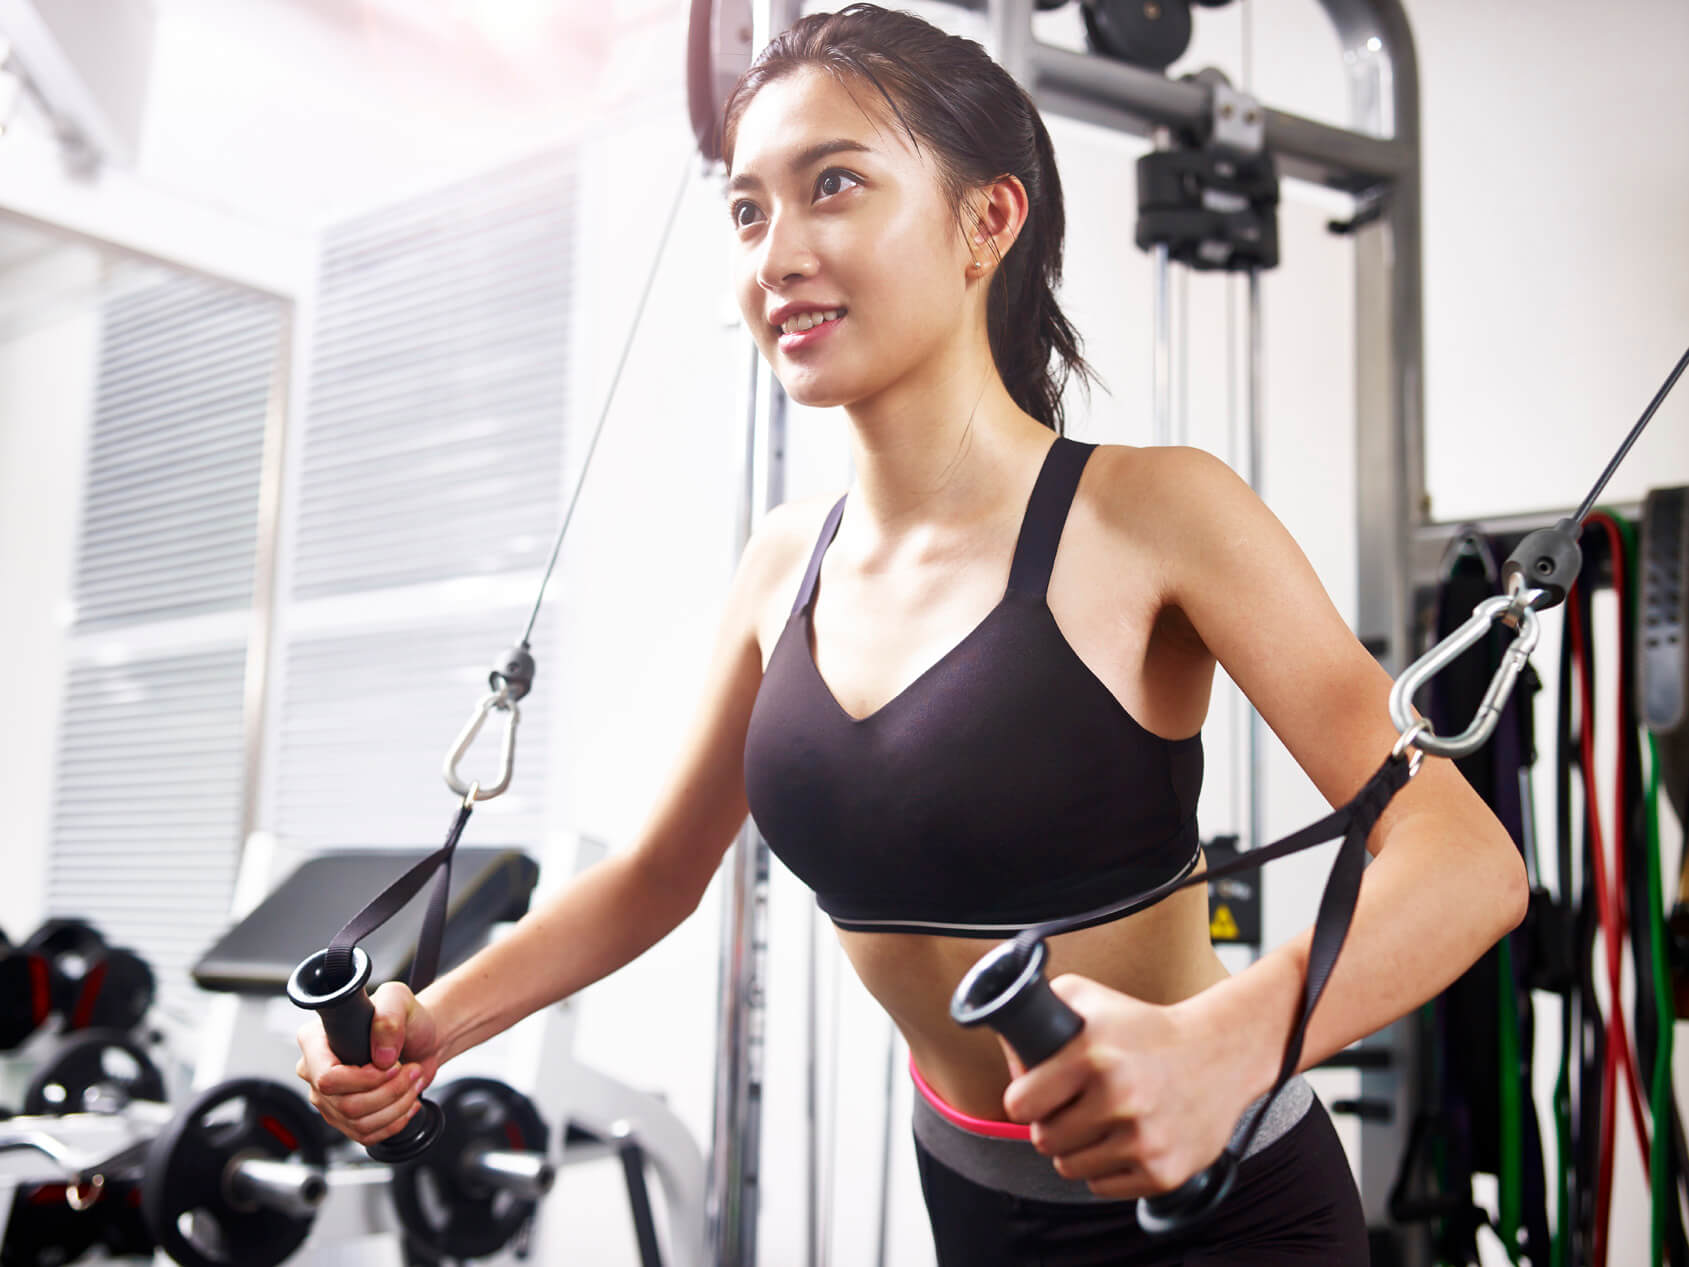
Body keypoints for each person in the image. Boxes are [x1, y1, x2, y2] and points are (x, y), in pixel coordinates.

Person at [296, 5, 1527, 1261]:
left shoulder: (1159, 512)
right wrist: (433, 1020)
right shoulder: (786, 562)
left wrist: (1227, 1043)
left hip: (1225, 1211)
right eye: (747, 208)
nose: (777, 252)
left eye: (834, 184)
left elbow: (1466, 859)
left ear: (988, 221)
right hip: (974, 1205)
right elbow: (660, 875)